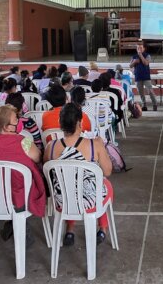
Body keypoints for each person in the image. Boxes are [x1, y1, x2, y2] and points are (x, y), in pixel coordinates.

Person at [44, 103, 114, 246]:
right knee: (105, 184)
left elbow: (48, 172)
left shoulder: (51, 147)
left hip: (62, 202)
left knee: (68, 185)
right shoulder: (95, 144)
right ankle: (102, 228)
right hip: (90, 202)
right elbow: (107, 171)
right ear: (80, 122)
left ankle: (69, 230)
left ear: (60, 123)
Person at [130, 41, 158, 112]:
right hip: (138, 76)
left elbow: (146, 63)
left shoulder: (147, 55)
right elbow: (130, 65)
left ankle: (154, 104)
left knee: (150, 91)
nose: (139, 49)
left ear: (144, 48)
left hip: (146, 76)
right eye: (138, 48)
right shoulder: (134, 56)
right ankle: (144, 105)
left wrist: (141, 55)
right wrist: (134, 62)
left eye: (140, 48)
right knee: (141, 92)